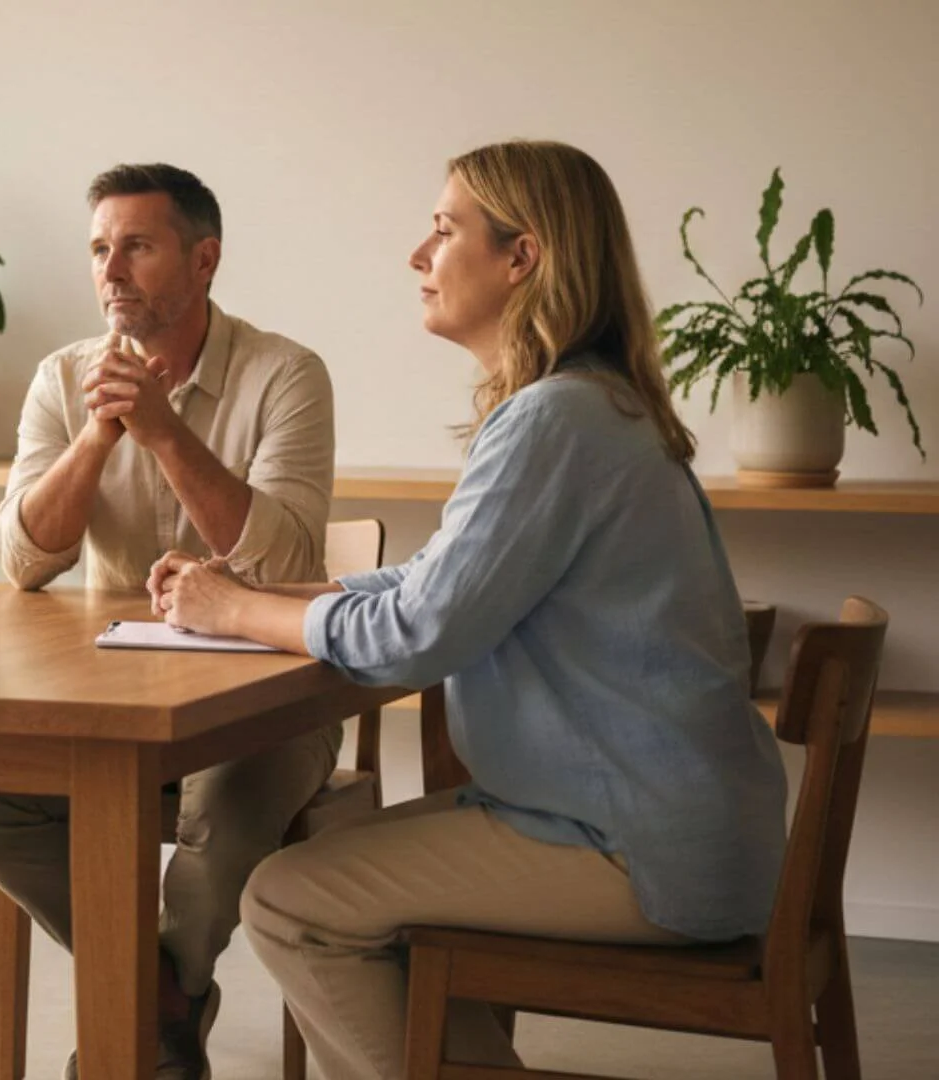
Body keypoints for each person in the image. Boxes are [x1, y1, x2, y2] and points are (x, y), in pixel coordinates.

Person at [154, 140, 788, 1080]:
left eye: (445, 230)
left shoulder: (552, 420)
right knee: (324, 870)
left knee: (288, 900)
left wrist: (240, 614)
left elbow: (417, 635)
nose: (420, 254)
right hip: (655, 822)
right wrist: (266, 595)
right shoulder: (586, 405)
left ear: (522, 258)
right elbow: (435, 583)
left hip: (629, 848)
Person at [0, 163, 337, 1079]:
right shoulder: (62, 378)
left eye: (137, 246)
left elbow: (281, 561)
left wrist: (164, 431)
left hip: (268, 705)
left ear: (204, 261)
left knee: (228, 803)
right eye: (98, 249)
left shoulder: (287, 375)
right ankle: (162, 997)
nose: (111, 269)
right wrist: (98, 436)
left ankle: (153, 1017)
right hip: (116, 711)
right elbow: (24, 559)